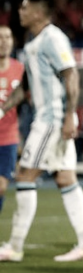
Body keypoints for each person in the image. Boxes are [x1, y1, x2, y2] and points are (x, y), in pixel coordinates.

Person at [0, 0, 83, 262]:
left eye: (25, 7)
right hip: (50, 119)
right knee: (65, 179)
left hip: (52, 120)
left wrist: (68, 116)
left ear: (39, 13)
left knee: (25, 176)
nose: (20, 11)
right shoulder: (33, 43)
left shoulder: (53, 38)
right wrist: (3, 109)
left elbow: (71, 74)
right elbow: (26, 87)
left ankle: (15, 246)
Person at [0, 25, 24, 216]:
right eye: (0, 37)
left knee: (1, 187)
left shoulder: (19, 69)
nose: (4, 41)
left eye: (8, 37)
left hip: (8, 137)